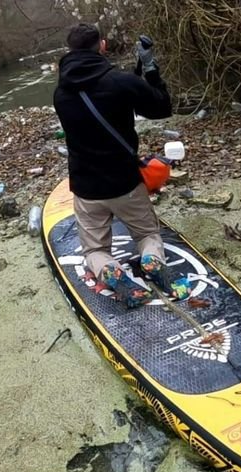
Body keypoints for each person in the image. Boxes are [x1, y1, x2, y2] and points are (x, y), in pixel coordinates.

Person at [53, 23, 191, 309]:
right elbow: (161, 107)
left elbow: (102, 100)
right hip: (124, 182)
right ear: (102, 46)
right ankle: (151, 261)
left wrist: (134, 74)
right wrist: (149, 65)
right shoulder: (119, 81)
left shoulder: (60, 93)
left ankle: (108, 270)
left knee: (95, 249)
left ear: (70, 50)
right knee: (146, 234)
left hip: (86, 186)